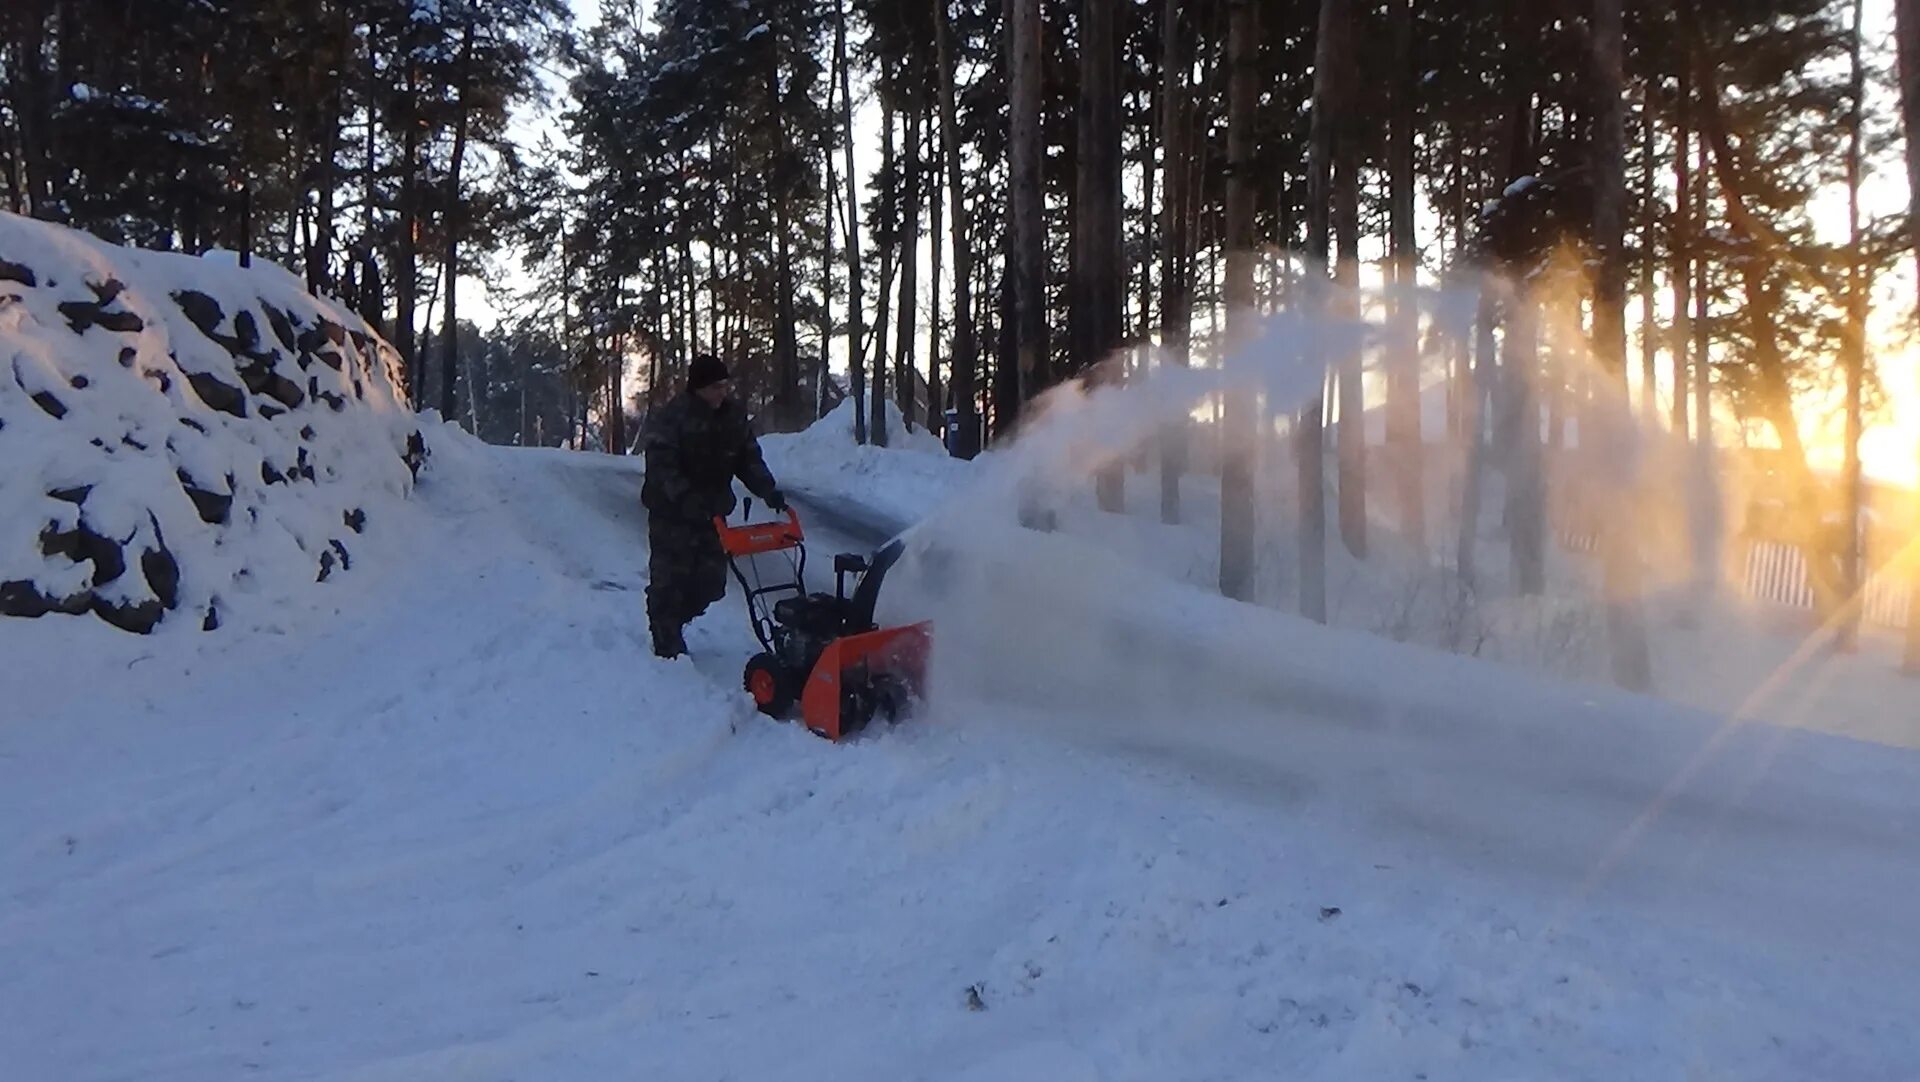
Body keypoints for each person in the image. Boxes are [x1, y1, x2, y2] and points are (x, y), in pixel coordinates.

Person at [641, 354, 786, 659]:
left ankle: (675, 620)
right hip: (672, 513)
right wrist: (685, 498)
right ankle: (665, 635)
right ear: (699, 388)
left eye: (725, 385)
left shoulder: (732, 418)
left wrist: (768, 491)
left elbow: (748, 458)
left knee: (712, 582)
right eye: (716, 387)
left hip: (713, 512)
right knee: (670, 578)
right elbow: (661, 466)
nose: (723, 392)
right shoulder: (672, 418)